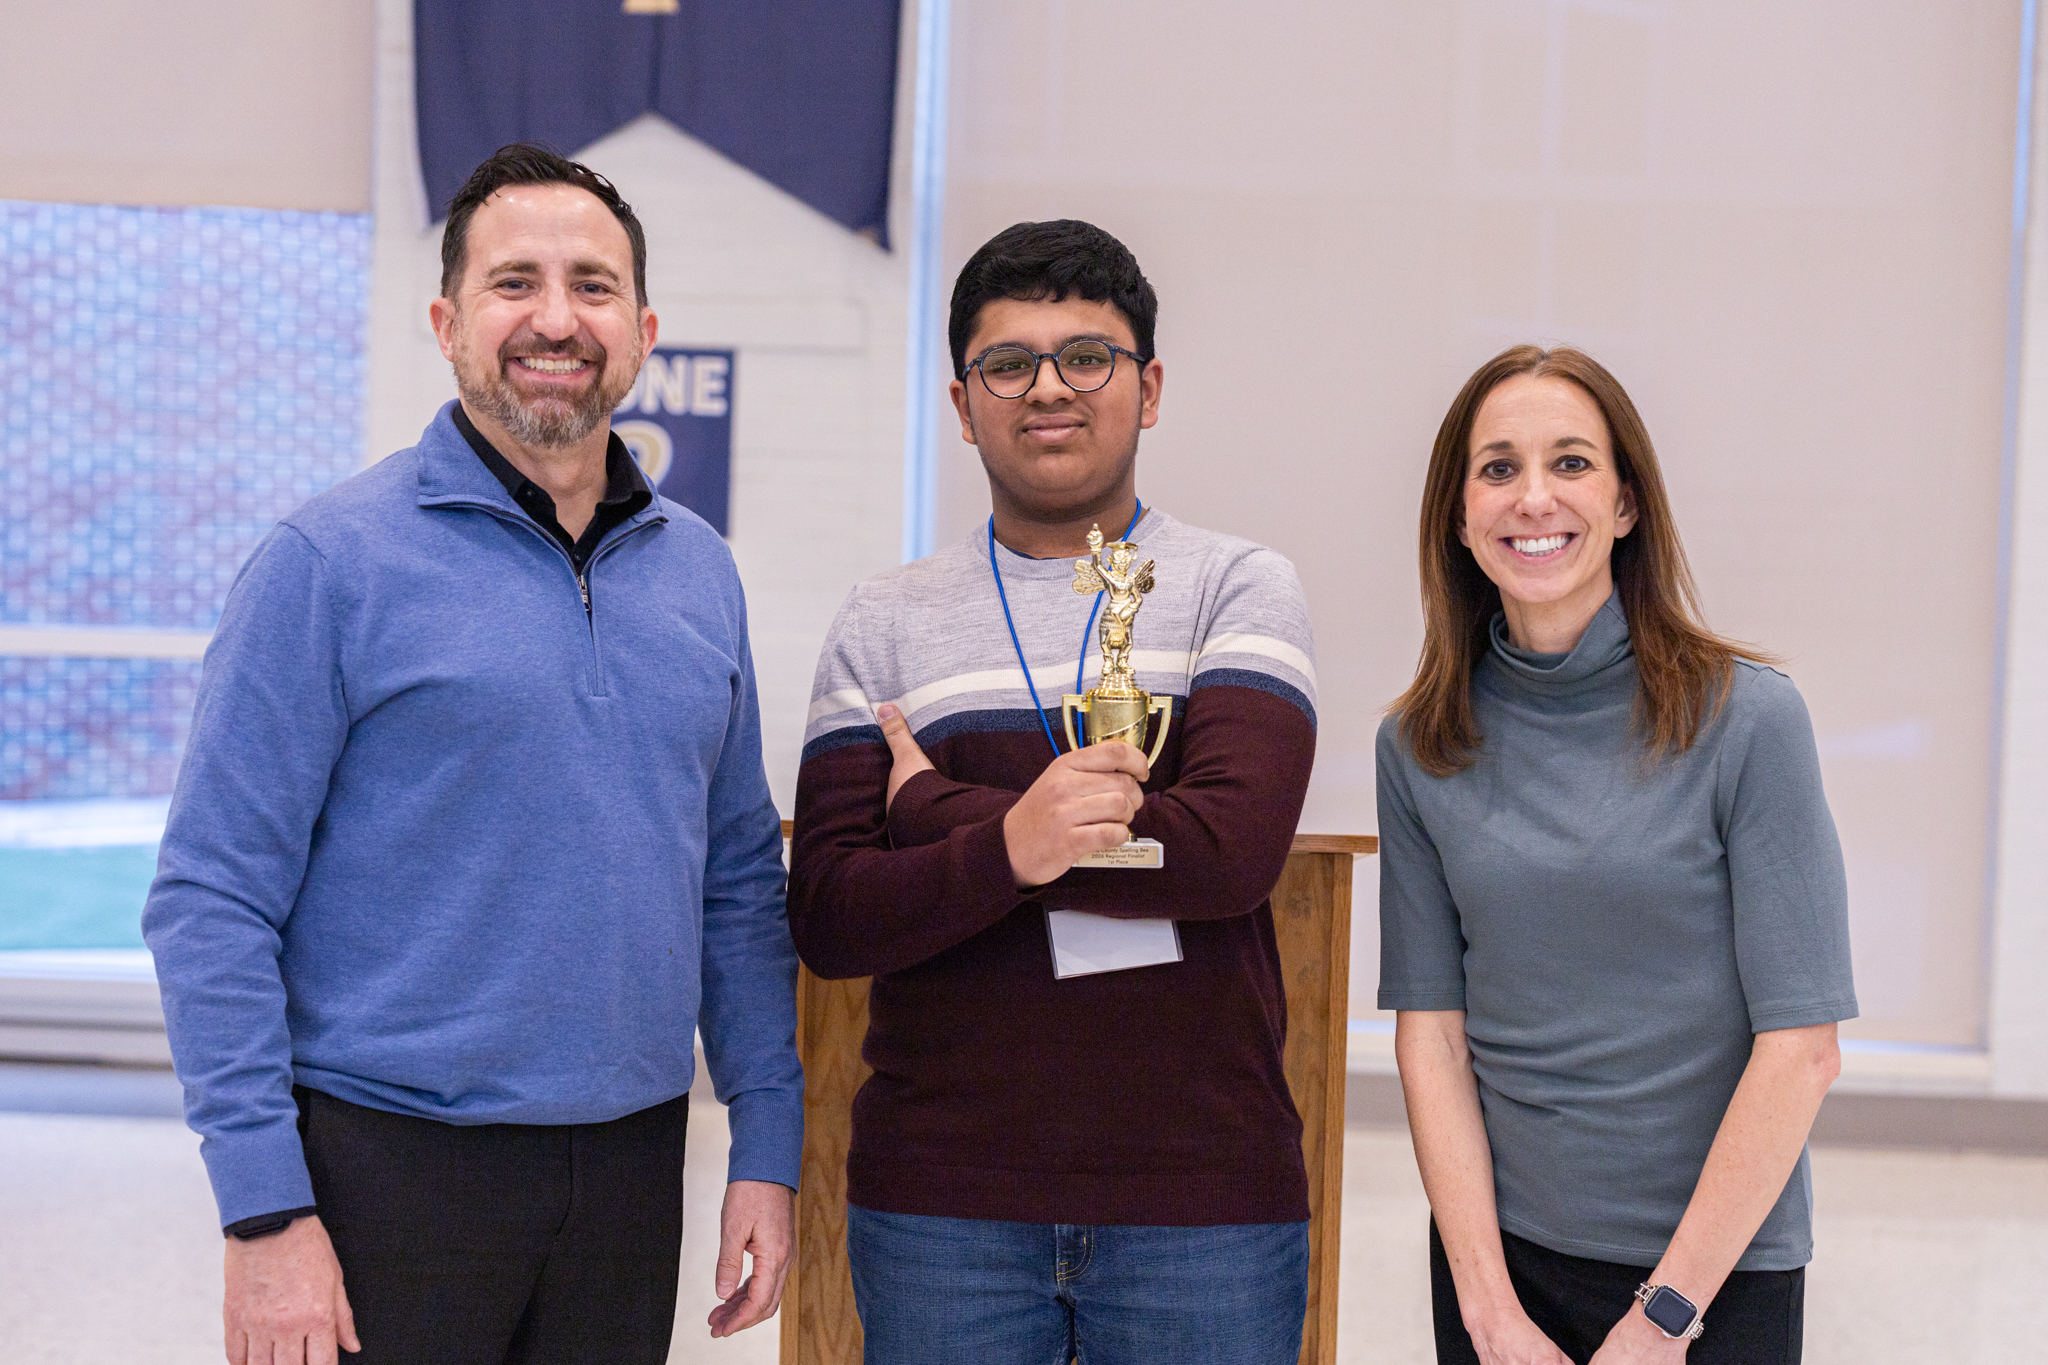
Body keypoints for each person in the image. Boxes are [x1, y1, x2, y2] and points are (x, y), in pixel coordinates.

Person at [141, 144, 801, 1365]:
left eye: (592, 285)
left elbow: (738, 889)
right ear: (447, 323)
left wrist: (766, 1147)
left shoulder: (699, 573)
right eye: (515, 283)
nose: (556, 318)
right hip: (382, 1166)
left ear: (643, 329)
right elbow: (210, 901)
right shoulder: (328, 564)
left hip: (628, 1168)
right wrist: (263, 1207)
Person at [786, 220, 1321, 1365]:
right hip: (943, 1206)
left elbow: (1225, 854)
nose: (1049, 389)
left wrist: (937, 819)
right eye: (1008, 363)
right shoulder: (883, 621)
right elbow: (830, 913)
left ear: (1150, 387)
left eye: (1087, 356)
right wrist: (1013, 844)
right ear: (961, 399)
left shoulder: (1237, 588)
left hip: (1204, 1204)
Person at [1376, 345, 1857, 1364]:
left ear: (1626, 504)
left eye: (1570, 463)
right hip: (1498, 1272)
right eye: (1496, 468)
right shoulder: (1418, 743)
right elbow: (1432, 1040)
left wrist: (1663, 1318)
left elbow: (1801, 1049)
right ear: (1457, 516)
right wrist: (1486, 1310)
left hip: (1711, 1278)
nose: (1532, 498)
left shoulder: (1747, 720)